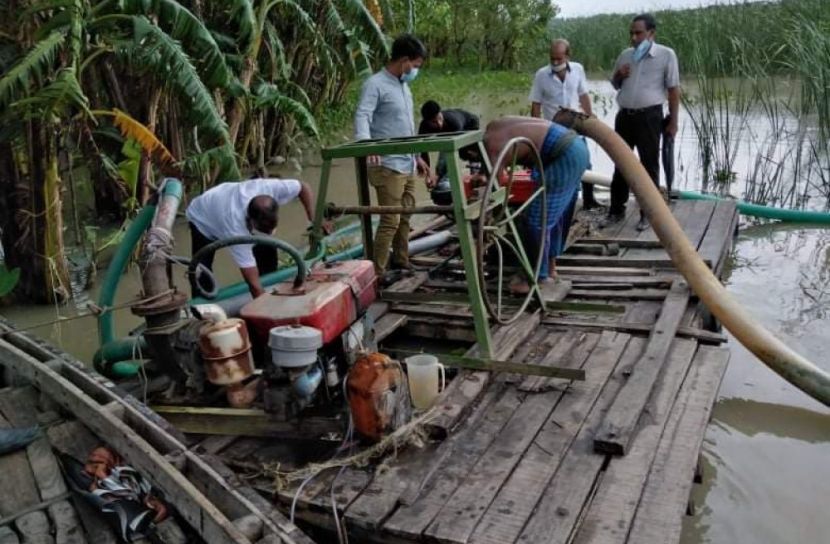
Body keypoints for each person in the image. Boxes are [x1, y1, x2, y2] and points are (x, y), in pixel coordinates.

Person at [474, 116, 589, 289]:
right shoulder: (494, 128)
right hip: (575, 147)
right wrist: (483, 174)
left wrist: (485, 220)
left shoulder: (491, 147)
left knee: (536, 222)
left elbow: (495, 189)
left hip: (564, 156)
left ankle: (536, 277)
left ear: (472, 152)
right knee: (554, 218)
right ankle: (550, 269)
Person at [354, 34, 433, 277]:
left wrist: (417, 156)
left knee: (406, 215)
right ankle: (376, 273)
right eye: (416, 66)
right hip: (387, 164)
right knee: (390, 220)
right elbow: (362, 115)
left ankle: (401, 259)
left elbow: (405, 126)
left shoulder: (403, 86)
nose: (416, 71)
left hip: (406, 162)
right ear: (404, 60)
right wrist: (369, 147)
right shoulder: (375, 84)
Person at [604, 13, 680, 230]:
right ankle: (616, 210)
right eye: (632, 33)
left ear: (651, 33)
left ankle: (648, 213)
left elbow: (674, 90)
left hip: (650, 116)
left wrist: (673, 122)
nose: (634, 38)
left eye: (638, 33)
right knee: (621, 163)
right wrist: (619, 74)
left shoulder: (666, 55)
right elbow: (616, 84)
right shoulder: (626, 55)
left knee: (649, 165)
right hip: (625, 116)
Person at [186, 177, 319, 298]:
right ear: (249, 221)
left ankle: (271, 287)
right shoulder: (235, 227)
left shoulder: (270, 188)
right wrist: (266, 310)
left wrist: (313, 222)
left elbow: (303, 187)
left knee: (268, 254)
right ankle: (200, 310)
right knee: (202, 272)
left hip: (225, 198)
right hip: (202, 217)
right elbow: (253, 284)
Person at [529, 39, 598, 209]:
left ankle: (589, 199)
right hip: (552, 129)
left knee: (585, 161)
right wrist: (536, 131)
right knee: (555, 164)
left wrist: (590, 117)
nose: (555, 62)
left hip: (576, 125)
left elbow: (583, 94)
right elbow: (536, 104)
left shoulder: (577, 70)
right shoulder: (541, 75)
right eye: (552, 58)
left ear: (568, 56)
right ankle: (556, 201)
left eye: (559, 59)